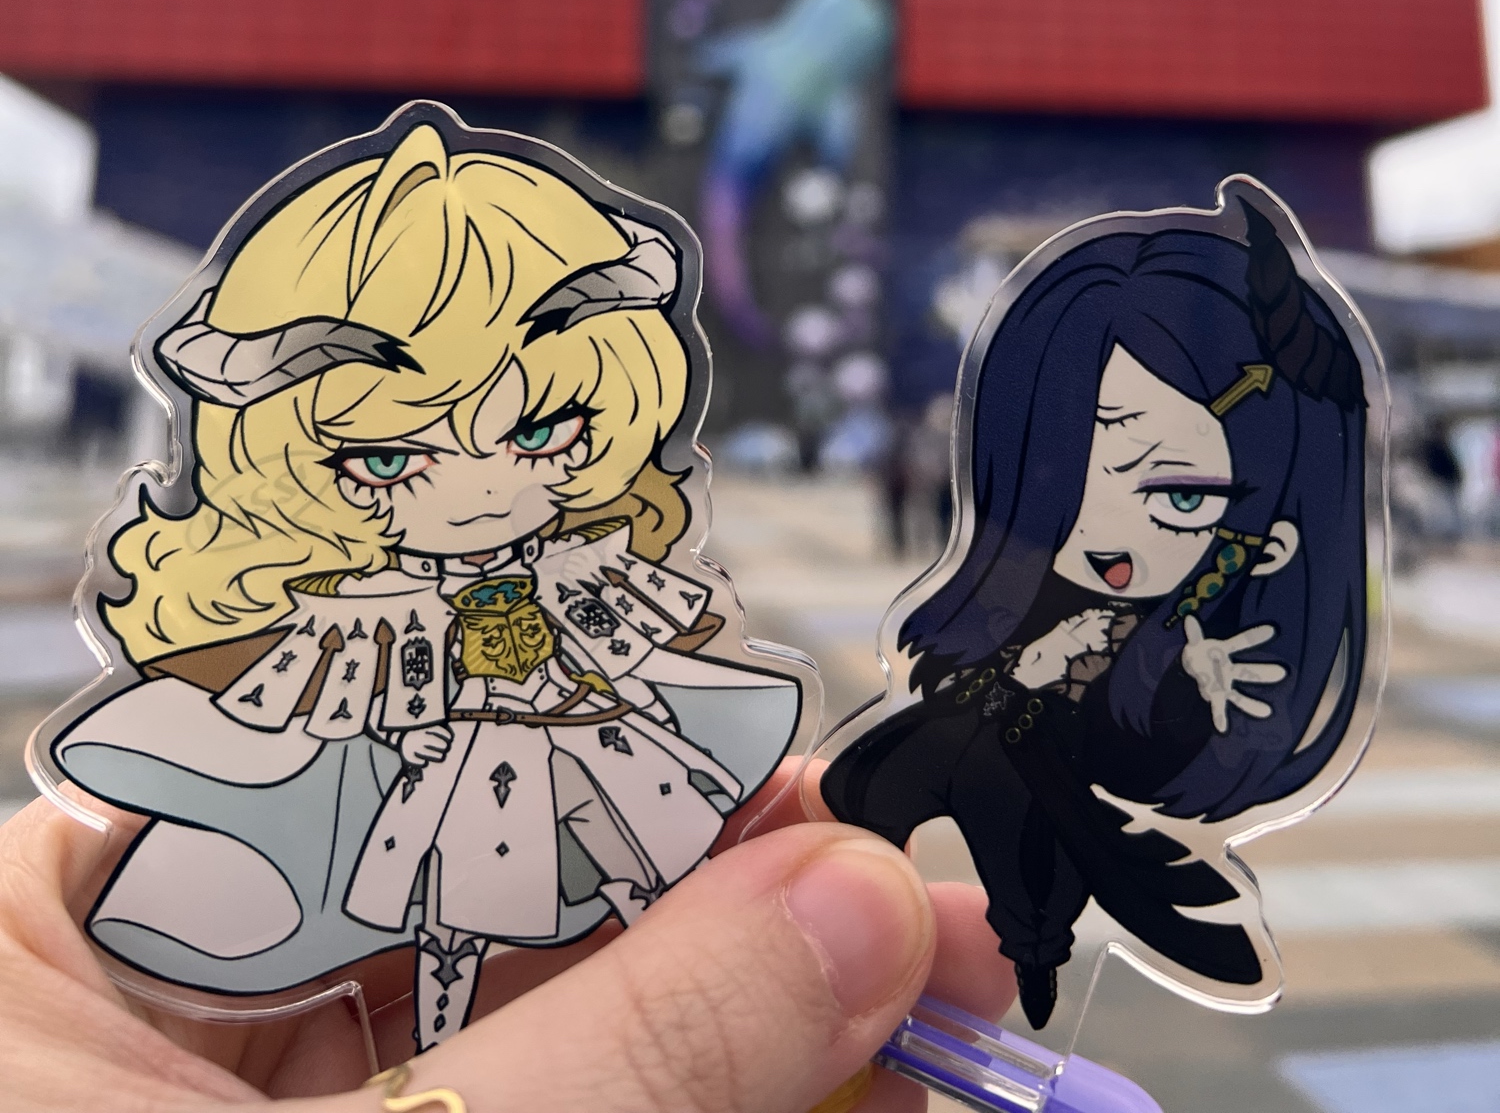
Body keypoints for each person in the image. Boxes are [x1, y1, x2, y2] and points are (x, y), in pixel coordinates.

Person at [45, 118, 802, 1052]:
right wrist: (408, 729)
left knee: (645, 874)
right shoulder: (370, 604)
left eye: (538, 433)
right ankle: (445, 1053)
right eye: (391, 459)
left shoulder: (572, 564)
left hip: (587, 736)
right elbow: (336, 686)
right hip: (459, 768)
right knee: (453, 925)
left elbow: (634, 627)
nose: (482, 490)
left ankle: (693, 993)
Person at [823, 197, 1369, 1031]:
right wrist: (1026, 675)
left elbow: (1143, 744)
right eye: (1069, 473)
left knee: (1019, 849)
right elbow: (911, 751)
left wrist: (1186, 676)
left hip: (1063, 806)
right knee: (900, 794)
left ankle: (1034, 949)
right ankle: (1026, 945)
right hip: (970, 775)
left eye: (1181, 496)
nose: (1106, 532)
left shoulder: (1189, 628)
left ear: (1269, 537)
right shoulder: (1017, 602)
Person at [0, 757, 1016, 1113]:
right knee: (450, 924)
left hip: (547, 777)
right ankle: (438, 1043)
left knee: (619, 870)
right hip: (452, 796)